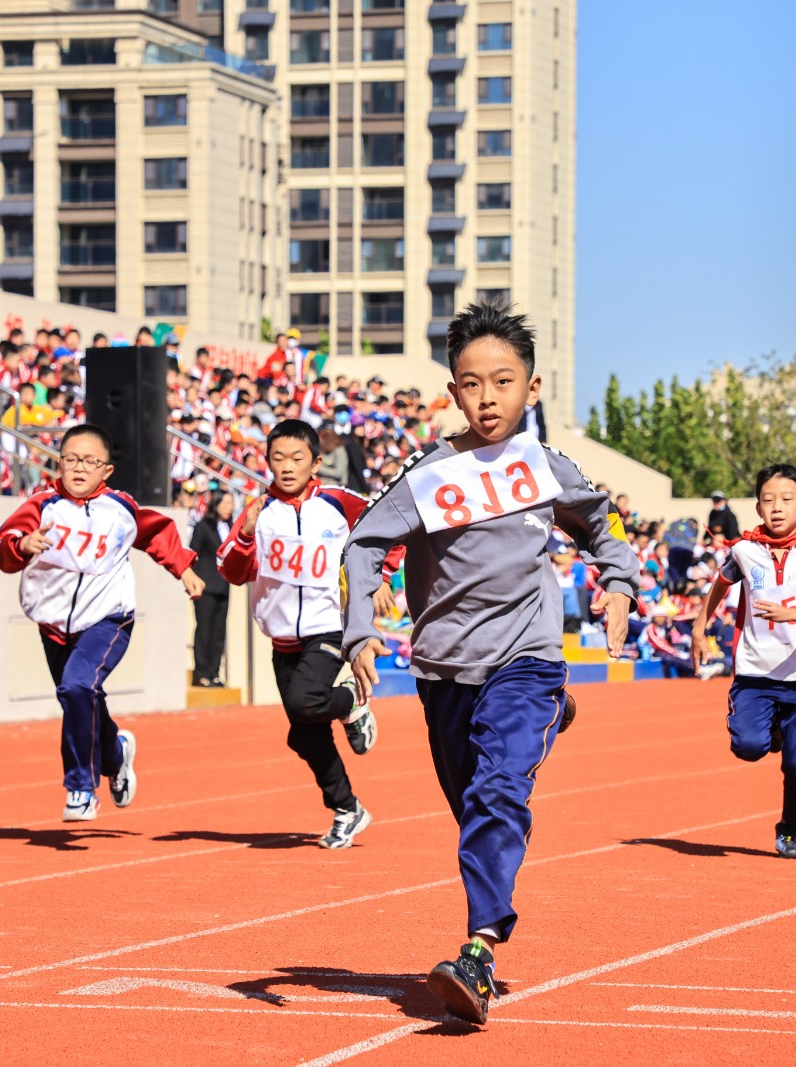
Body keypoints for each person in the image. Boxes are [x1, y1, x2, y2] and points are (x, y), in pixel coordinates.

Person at [341, 302, 638, 1025]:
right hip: (446, 669)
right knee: (471, 805)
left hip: (526, 657)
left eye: (503, 382)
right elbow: (363, 542)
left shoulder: (547, 467)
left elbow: (603, 522)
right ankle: (547, 717)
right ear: (452, 392)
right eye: (471, 384)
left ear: (530, 388)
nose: (487, 398)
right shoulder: (429, 475)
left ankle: (478, 951)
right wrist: (360, 629)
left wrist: (619, 585)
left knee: (498, 793)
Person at [0, 424, 205, 821]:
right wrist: (23, 544)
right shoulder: (42, 505)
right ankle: (116, 753)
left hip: (108, 619)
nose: (79, 468)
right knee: (79, 696)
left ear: (106, 470)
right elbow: (4, 544)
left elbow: (156, 533)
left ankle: (81, 789)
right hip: (54, 627)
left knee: (76, 687)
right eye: (71, 459)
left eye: (89, 461)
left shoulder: (119, 509)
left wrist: (183, 569)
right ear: (59, 464)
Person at [218, 419, 397, 848]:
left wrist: (381, 576)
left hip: (329, 627)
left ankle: (351, 701)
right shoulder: (258, 512)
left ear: (315, 462)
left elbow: (392, 525)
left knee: (305, 702)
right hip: (282, 638)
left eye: (296, 458)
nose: (286, 466)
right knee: (303, 734)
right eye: (277, 458)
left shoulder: (339, 502)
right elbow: (231, 570)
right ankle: (348, 809)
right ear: (266, 462)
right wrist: (245, 535)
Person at [692, 463, 796, 862]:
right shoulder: (744, 551)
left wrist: (793, 615)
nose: (777, 507)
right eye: (768, 500)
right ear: (758, 507)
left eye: (787, 499)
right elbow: (720, 585)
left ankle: (790, 830)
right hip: (755, 673)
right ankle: (772, 731)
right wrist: (699, 627)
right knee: (747, 746)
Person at [189, 491, 234, 687]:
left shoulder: (231, 528)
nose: (229, 507)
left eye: (231, 503)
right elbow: (193, 553)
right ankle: (201, 673)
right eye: (225, 503)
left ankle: (214, 672)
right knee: (204, 630)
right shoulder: (202, 526)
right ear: (215, 505)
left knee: (219, 632)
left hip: (224, 585)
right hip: (206, 586)